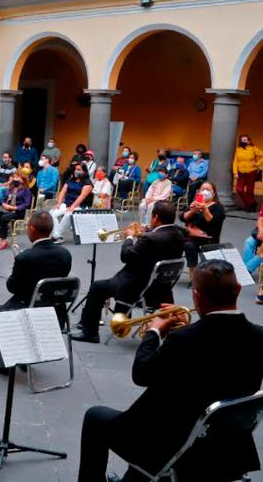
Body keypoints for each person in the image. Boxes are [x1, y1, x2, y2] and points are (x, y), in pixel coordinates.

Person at [77, 260, 263, 482]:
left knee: (95, 418)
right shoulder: (259, 336)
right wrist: (189, 329)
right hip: (226, 443)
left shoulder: (184, 340)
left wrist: (153, 332)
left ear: (196, 296)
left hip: (170, 444)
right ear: (239, 289)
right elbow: (217, 354)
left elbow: (141, 374)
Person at [70, 201, 186, 343]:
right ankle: (119, 315)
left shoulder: (149, 239)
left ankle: (90, 332)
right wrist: (147, 232)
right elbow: (155, 247)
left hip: (135, 287)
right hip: (161, 290)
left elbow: (126, 255)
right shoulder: (178, 235)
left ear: (155, 217)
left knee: (97, 287)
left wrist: (130, 237)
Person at [2, 211, 72, 309]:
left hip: (29, 307)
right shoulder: (65, 253)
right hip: (57, 308)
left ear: (32, 228)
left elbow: (12, 287)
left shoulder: (25, 257)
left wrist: (17, 269)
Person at [180, 181, 225, 278]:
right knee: (184, 243)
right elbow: (182, 217)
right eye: (203, 189)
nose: (205, 191)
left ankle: (199, 273)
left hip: (208, 238)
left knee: (190, 245)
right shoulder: (196, 203)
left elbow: (213, 222)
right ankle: (191, 270)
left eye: (208, 190)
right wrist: (192, 211)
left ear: (213, 193)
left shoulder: (218, 207)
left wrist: (205, 209)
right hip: (192, 236)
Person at [0, 172, 31, 251]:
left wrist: (16, 208)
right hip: (7, 209)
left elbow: (26, 204)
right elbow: (5, 198)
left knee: (4, 218)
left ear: (23, 180)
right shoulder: (11, 187)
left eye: (17, 178)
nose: (15, 179)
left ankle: (3, 240)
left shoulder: (26, 190)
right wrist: (3, 204)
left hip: (17, 212)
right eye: (15, 177)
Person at [49, 163, 93, 243]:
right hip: (67, 203)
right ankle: (57, 235)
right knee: (52, 212)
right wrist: (58, 204)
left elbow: (82, 196)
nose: (76, 171)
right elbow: (62, 192)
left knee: (68, 214)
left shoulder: (88, 183)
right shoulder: (70, 180)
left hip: (79, 205)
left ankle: (56, 236)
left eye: (79, 170)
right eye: (76, 169)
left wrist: (73, 206)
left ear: (84, 171)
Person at [233, 135, 263, 212]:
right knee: (239, 189)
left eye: (245, 140)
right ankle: (252, 203)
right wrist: (235, 172)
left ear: (249, 141)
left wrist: (257, 164)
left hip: (251, 172)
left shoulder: (253, 148)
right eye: (242, 140)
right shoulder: (238, 150)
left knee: (250, 190)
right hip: (241, 173)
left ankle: (249, 207)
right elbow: (235, 161)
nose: (243, 141)